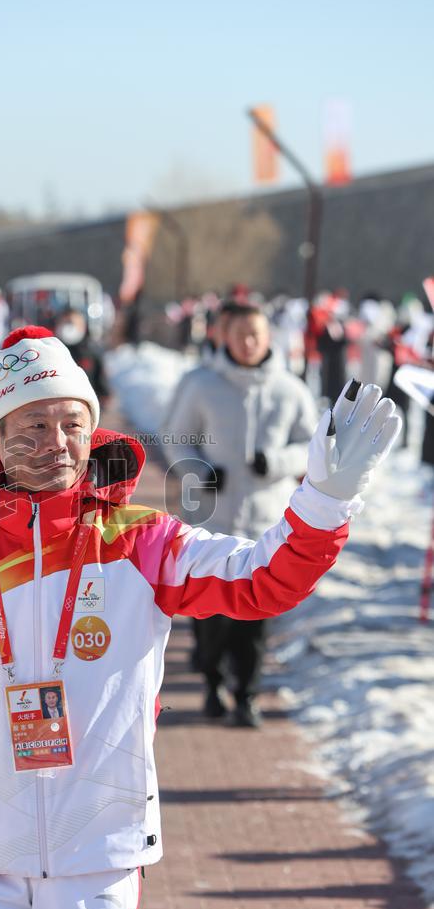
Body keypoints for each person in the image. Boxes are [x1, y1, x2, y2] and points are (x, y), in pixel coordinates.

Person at [0, 324, 400, 909]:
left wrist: (323, 501)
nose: (55, 442)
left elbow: (263, 580)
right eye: (32, 425)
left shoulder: (141, 540)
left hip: (97, 844)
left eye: (71, 422)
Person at [161, 301, 320, 727]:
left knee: (256, 620)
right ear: (224, 337)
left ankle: (247, 695)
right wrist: (201, 471)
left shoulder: (291, 389)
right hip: (212, 518)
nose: (249, 342)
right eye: (241, 334)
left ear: (269, 339)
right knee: (212, 617)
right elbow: (175, 439)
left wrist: (278, 462)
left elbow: (312, 444)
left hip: (266, 522)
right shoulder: (201, 384)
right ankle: (213, 681)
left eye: (257, 335)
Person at [54, 307, 110, 406]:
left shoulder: (91, 353)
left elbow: (101, 384)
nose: (69, 327)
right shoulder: (51, 351)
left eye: (72, 323)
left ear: (82, 326)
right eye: (65, 323)